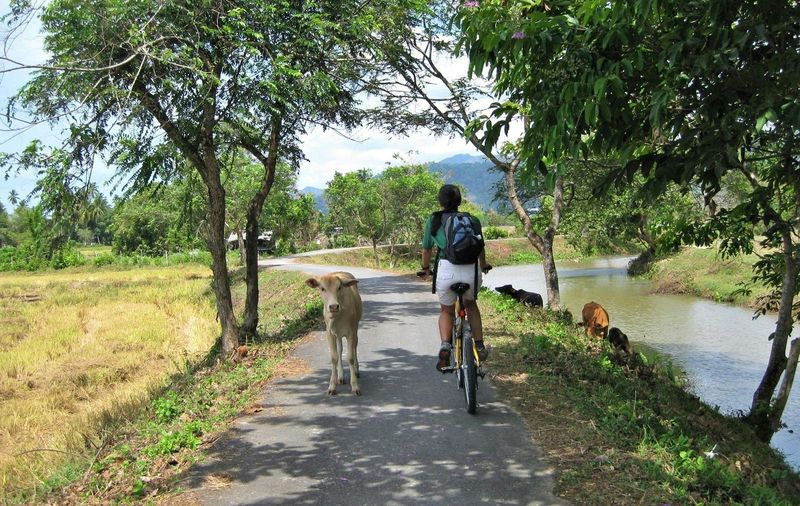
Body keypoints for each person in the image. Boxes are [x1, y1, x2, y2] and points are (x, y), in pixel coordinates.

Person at [418, 184, 491, 371]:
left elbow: (426, 249)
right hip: (471, 270)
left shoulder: (434, 220)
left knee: (446, 311)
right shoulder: (472, 219)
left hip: (446, 270)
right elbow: (480, 246)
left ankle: (445, 345)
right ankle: (480, 345)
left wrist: (425, 269)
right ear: (459, 201)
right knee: (471, 306)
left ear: (440, 201)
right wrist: (483, 265)